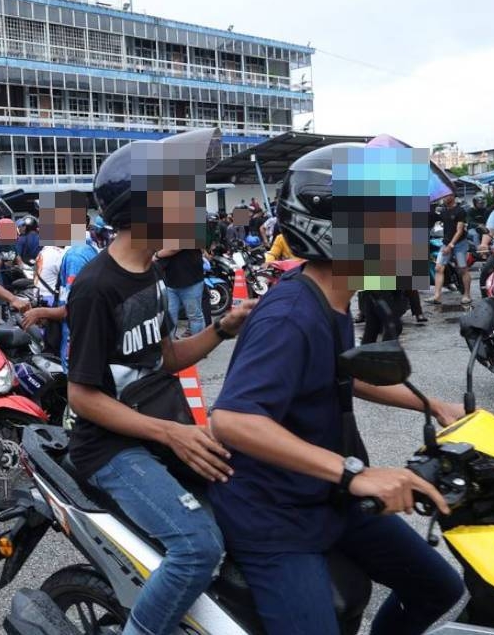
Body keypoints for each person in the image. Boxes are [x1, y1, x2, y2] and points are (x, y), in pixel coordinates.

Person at [209, 142, 465, 635]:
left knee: (439, 588)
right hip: (276, 516)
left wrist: (432, 403)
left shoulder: (333, 297)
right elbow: (233, 419)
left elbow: (347, 371)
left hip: (328, 496)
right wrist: (354, 474)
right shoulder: (289, 315)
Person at [65, 130, 256, 635]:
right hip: (112, 449)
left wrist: (221, 329)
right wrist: (173, 434)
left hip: (162, 427)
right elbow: (81, 397)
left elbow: (166, 358)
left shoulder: (151, 271)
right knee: (198, 546)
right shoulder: (95, 287)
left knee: (253, 503)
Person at [22, 215, 114, 369]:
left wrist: (39, 312)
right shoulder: (87, 248)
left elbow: (73, 308)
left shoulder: (74, 256)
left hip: (76, 337)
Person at [430, 189, 471, 304]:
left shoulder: (460, 211)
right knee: (439, 268)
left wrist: (451, 245)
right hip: (446, 242)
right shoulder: (443, 211)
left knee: (463, 269)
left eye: (446, 195)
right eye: (443, 196)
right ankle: (437, 296)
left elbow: (459, 231)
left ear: (453, 196)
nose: (444, 197)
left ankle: (467, 295)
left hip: (459, 243)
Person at [153, 249, 207, 337]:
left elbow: (175, 247)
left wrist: (156, 255)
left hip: (190, 279)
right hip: (170, 280)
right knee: (169, 318)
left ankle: (198, 347)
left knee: (194, 317)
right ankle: (170, 347)